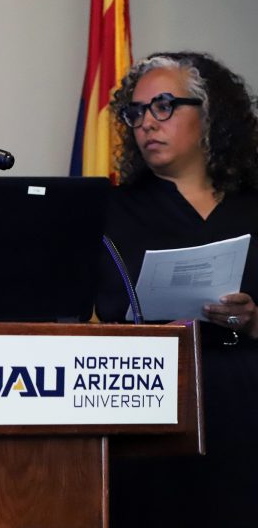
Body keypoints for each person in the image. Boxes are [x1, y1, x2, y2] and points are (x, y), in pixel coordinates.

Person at [96, 51, 258, 527]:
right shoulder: (110, 211)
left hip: (245, 402)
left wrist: (253, 320)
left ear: (210, 115)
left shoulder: (252, 208)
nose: (146, 122)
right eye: (137, 111)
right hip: (150, 404)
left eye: (164, 105)